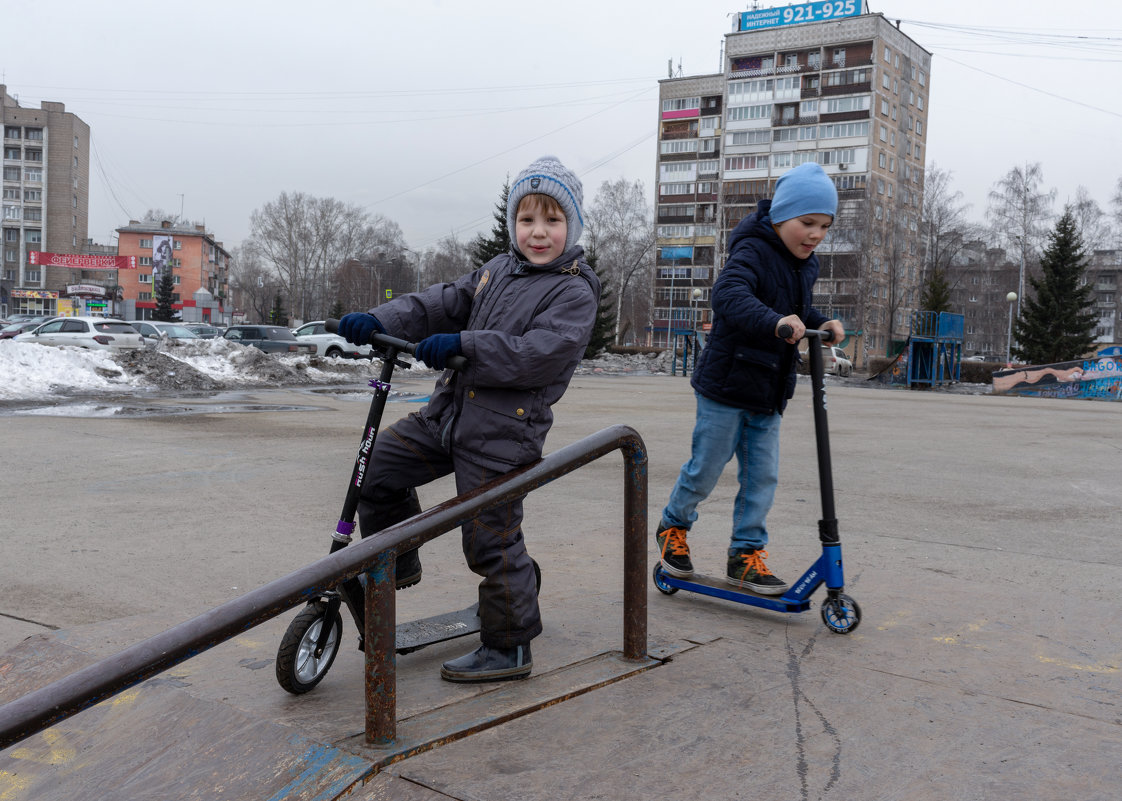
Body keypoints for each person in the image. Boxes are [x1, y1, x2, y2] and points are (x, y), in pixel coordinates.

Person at [337, 155, 600, 682]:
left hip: (503, 434)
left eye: (552, 220)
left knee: (490, 541)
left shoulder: (573, 289)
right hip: (447, 417)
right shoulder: (496, 272)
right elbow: (441, 301)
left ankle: (510, 647)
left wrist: (465, 345)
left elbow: (538, 353)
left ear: (571, 226)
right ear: (513, 225)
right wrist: (381, 319)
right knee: (377, 470)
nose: (538, 232)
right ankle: (401, 557)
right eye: (527, 220)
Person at [655, 162, 845, 595]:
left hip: (769, 391)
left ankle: (745, 555)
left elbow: (794, 310)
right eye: (807, 223)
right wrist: (777, 322)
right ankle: (673, 525)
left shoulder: (806, 265)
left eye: (824, 226)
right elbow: (730, 296)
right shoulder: (752, 251)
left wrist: (822, 321)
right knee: (706, 468)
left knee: (762, 477)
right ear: (780, 217)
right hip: (726, 385)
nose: (815, 234)